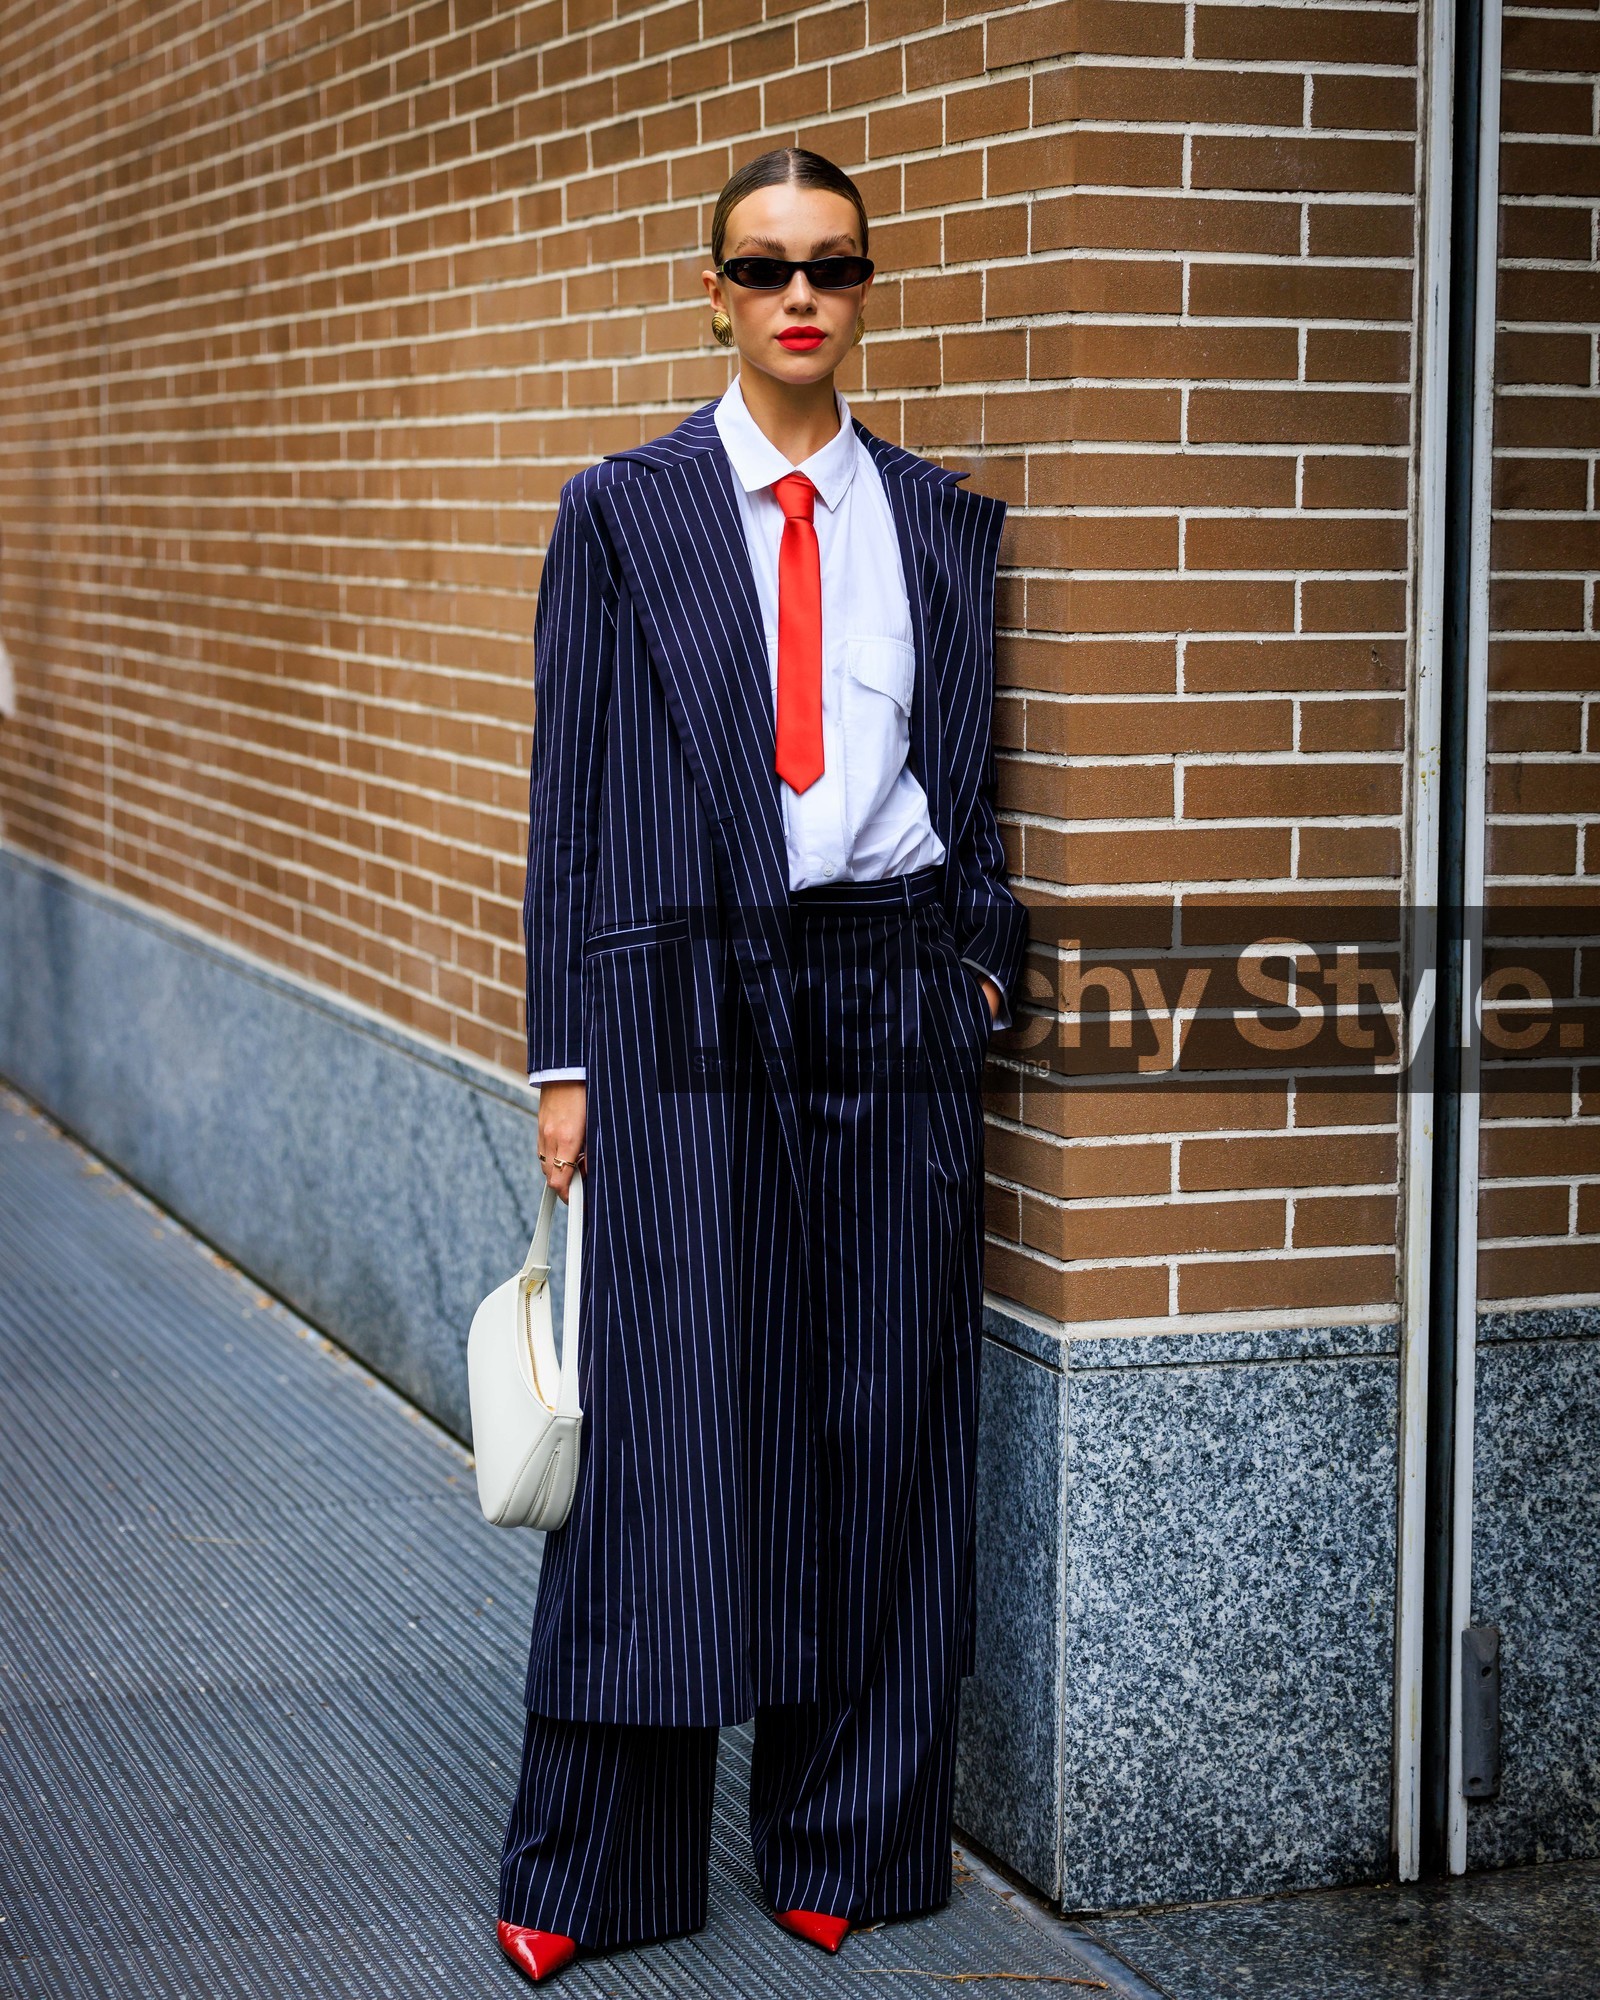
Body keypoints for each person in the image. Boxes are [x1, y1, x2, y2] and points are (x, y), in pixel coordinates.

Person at [496, 145, 1029, 1985]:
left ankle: (848, 1836)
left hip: (890, 992)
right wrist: (570, 1062)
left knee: (884, 1420)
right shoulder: (623, 516)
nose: (802, 296)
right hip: (683, 1006)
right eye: (766, 266)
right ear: (711, 291)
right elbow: (571, 816)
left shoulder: (944, 527)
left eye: (834, 267)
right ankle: (595, 1867)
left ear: (866, 293)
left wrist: (971, 972)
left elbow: (972, 789)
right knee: (672, 1430)